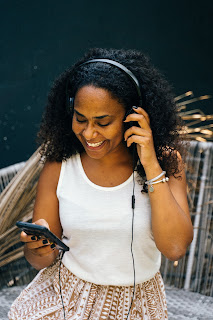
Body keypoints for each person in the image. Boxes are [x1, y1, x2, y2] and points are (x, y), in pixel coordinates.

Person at [9, 48, 193, 320]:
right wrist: (37, 248)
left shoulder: (166, 162)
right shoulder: (59, 165)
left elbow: (175, 248)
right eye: (80, 119)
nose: (89, 133)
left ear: (133, 117)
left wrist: (151, 163)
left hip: (138, 305)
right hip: (67, 299)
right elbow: (40, 261)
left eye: (103, 122)